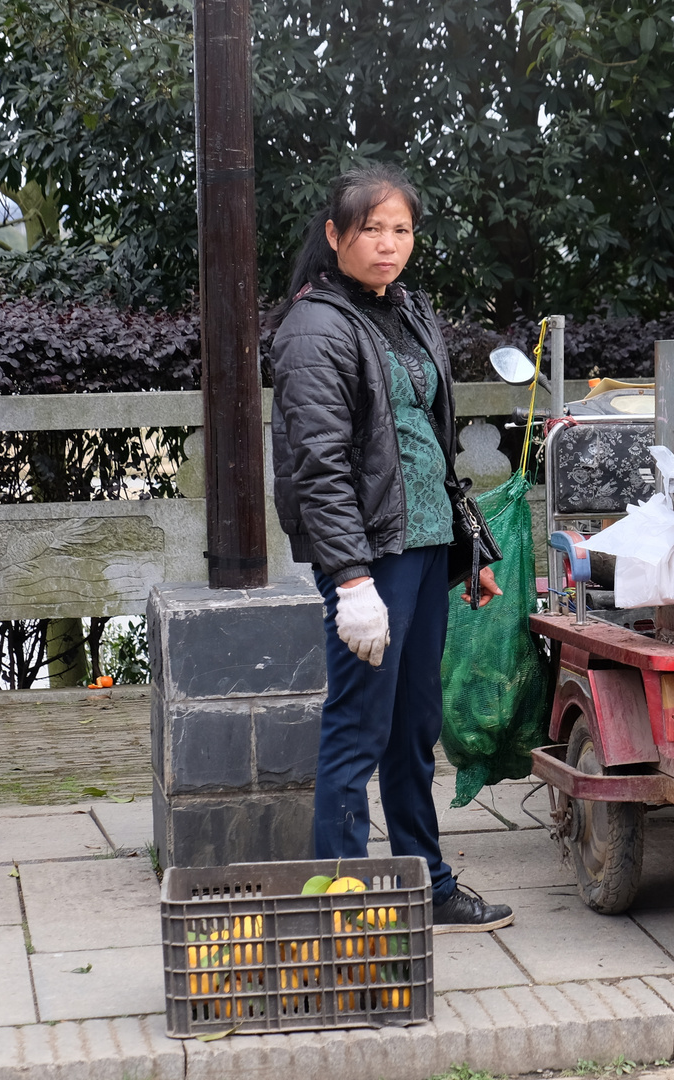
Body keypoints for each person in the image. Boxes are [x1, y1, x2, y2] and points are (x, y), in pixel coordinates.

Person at [270, 165, 513, 932]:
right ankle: (340, 905)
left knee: (413, 729)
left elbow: (426, 449)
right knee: (358, 725)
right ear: (335, 236)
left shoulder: (405, 311)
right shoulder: (314, 329)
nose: (387, 244)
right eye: (371, 228)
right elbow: (320, 465)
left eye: (401, 229)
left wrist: (465, 553)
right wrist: (348, 582)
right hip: (370, 562)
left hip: (421, 550)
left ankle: (427, 886)